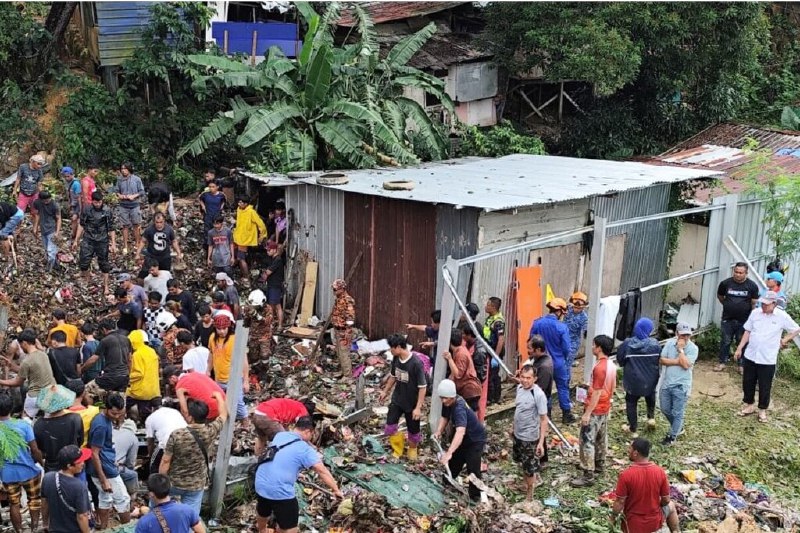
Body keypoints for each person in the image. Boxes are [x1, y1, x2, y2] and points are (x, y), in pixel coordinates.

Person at [254, 417, 342, 533]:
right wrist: (336, 490)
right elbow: (322, 471)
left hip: (260, 483)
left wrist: (296, 474)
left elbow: (283, 458)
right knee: (291, 527)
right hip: (280, 491)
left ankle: (262, 530)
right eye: (312, 434)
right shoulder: (305, 449)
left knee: (263, 510)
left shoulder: (280, 435)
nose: (311, 438)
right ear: (307, 431)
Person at [735, 290, 800, 422]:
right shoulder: (755, 313)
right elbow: (748, 331)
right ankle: (749, 405)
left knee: (765, 385)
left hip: (767, 357)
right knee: (748, 382)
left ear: (774, 304)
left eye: (766, 304)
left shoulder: (782, 316)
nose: (764, 306)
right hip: (751, 354)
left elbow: (795, 329)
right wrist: (740, 348)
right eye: (762, 304)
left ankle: (762, 410)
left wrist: (784, 340)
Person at [160, 396, 228, 515]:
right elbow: (223, 415)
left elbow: (166, 461)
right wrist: (218, 396)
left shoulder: (177, 434)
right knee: (190, 517)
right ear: (205, 416)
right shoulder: (210, 431)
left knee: (160, 511)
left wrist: (161, 480)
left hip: (173, 482)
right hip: (196, 485)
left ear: (190, 417)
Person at [571, 335, 617, 487]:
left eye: (593, 345)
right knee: (600, 438)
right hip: (604, 408)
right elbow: (611, 387)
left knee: (587, 440)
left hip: (595, 408)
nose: (592, 347)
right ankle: (599, 464)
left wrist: (587, 413)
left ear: (599, 348)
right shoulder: (611, 365)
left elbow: (597, 392)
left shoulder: (599, 367)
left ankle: (588, 474)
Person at [432, 379, 487, 502]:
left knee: (473, 469)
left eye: (446, 398)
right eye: (442, 398)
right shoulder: (447, 402)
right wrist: (439, 431)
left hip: (474, 440)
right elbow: (444, 417)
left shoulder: (459, 408)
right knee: (454, 462)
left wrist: (449, 452)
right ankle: (447, 483)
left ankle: (475, 497)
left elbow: (460, 431)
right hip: (463, 440)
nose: (443, 401)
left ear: (452, 396)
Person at [611, 438, 679, 533]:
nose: (628, 451)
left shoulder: (625, 475)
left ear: (635, 453)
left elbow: (620, 502)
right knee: (671, 505)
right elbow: (666, 500)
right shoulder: (660, 472)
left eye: (630, 448)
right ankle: (675, 531)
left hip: (632, 525)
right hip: (654, 522)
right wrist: (657, 505)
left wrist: (612, 519)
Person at [0, 392, 44, 533]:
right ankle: (34, 529)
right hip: (29, 471)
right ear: (12, 408)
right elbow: (35, 449)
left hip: (7, 474)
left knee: (14, 503)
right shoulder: (23, 425)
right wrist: (41, 464)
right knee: (34, 501)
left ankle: (18, 530)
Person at [379, 334, 427, 461]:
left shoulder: (416, 363)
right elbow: (393, 376)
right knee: (390, 426)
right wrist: (385, 392)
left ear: (399, 347)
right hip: (397, 399)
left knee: (413, 431)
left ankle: (412, 450)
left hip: (412, 402)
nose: (390, 350)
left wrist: (418, 408)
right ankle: (398, 448)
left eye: (392, 348)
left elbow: (422, 387)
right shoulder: (396, 359)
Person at [87, 392, 131, 529]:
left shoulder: (104, 419)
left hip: (105, 464)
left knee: (105, 499)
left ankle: (104, 528)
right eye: (114, 414)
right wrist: (104, 479)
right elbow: (94, 453)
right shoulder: (100, 425)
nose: (116, 417)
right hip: (105, 470)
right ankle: (129, 528)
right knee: (123, 499)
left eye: (119, 414)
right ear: (106, 408)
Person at [529, 298, 575, 423]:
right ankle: (566, 415)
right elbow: (566, 348)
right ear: (559, 311)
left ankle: (547, 416)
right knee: (563, 387)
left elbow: (531, 342)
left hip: (542, 363)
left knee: (544, 389)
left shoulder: (537, 323)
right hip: (559, 363)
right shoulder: (562, 327)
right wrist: (564, 360)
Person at [616, 317, 661, 438]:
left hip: (633, 381)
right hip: (651, 379)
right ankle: (651, 418)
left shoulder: (628, 343)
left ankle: (633, 429)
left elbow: (620, 360)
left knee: (631, 402)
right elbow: (658, 360)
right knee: (650, 395)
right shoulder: (655, 344)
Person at [0, 329, 56, 418]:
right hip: (51, 392)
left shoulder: (27, 360)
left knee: (25, 419)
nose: (21, 348)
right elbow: (28, 370)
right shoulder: (43, 354)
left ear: (24, 343)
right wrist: (11, 365)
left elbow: (18, 382)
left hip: (35, 395)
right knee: (49, 419)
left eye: (21, 345)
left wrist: (1, 381)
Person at [512, 365, 548, 501]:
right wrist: (513, 428)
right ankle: (525, 484)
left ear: (535, 379)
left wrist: (540, 443)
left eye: (528, 378)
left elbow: (544, 420)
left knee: (530, 468)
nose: (525, 380)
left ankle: (529, 496)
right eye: (523, 377)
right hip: (518, 434)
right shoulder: (519, 388)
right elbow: (518, 410)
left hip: (530, 437)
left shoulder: (538, 395)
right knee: (522, 462)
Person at [659, 323, 699, 446]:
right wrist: (678, 361)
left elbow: (686, 365)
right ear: (677, 334)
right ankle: (678, 427)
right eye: (683, 335)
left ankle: (672, 436)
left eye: (688, 335)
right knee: (665, 408)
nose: (685, 338)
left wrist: (680, 350)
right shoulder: (670, 343)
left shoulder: (693, 348)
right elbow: (662, 360)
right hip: (667, 383)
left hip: (681, 385)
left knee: (678, 412)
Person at [716, 262, 759, 373]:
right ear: (733, 271)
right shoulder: (725, 283)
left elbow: (754, 303)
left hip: (744, 320)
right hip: (727, 319)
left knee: (742, 342)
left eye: (741, 273)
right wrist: (728, 305)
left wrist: (751, 319)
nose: (738, 274)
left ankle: (742, 365)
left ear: (746, 273)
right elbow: (720, 297)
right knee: (725, 341)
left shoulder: (752, 286)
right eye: (736, 272)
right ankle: (722, 362)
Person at [72, 191, 117, 297]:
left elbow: (111, 228)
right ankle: (87, 280)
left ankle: (105, 286)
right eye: (96, 202)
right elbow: (82, 225)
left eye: (100, 202)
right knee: (83, 261)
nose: (98, 204)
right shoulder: (87, 209)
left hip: (102, 239)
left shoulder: (107, 211)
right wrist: (76, 240)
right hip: (89, 238)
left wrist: (113, 244)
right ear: (92, 201)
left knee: (104, 264)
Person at [41, 445, 93, 533]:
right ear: (69, 466)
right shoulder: (79, 486)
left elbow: (44, 503)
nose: (83, 463)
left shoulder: (48, 477)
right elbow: (82, 516)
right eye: (79, 461)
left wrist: (45, 524)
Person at [208, 314, 249, 420]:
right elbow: (211, 355)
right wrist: (208, 370)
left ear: (229, 327)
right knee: (220, 402)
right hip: (219, 378)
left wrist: (246, 380)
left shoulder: (235, 339)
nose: (222, 331)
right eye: (219, 329)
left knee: (239, 403)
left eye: (224, 328)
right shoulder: (212, 338)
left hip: (233, 379)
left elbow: (244, 361)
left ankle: (245, 422)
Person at [34, 385, 83, 472]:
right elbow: (80, 441)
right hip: (73, 464)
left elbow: (40, 449)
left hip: (51, 467)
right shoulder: (75, 419)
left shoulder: (39, 424)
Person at [136, 474, 205, 533]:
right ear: (170, 487)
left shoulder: (144, 522)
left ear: (151, 494)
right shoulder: (187, 510)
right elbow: (201, 531)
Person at [84, 320, 132, 403]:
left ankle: (91, 413)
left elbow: (94, 359)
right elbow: (130, 360)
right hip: (124, 376)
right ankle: (121, 415)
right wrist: (128, 375)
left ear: (104, 329)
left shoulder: (105, 340)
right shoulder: (126, 339)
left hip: (111, 376)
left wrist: (82, 369)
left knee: (85, 391)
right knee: (119, 401)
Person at [443, 330, 482, 411]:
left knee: (470, 417)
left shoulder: (461, 354)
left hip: (470, 390)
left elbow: (458, 374)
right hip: (467, 390)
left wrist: (450, 359)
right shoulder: (459, 350)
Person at [126, 330, 161, 422]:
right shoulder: (151, 351)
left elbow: (139, 373)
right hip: (154, 390)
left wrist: (127, 377)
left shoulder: (137, 354)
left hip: (141, 391)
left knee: (123, 401)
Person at [136, 213, 183, 278]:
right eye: (157, 222)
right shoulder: (149, 230)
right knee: (143, 275)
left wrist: (179, 253)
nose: (159, 224)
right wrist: (137, 254)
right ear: (154, 221)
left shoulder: (169, 229)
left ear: (164, 221)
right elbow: (143, 241)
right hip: (151, 256)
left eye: (161, 222)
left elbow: (174, 241)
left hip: (165, 256)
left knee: (165, 276)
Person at [145, 404, 187, 474]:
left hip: (167, 442)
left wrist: (150, 455)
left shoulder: (150, 418)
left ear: (152, 409)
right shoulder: (175, 411)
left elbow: (150, 442)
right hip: (186, 439)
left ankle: (154, 481)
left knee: (153, 464)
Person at [232, 196, 267, 280]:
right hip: (238, 237)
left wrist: (262, 236)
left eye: (241, 203)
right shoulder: (239, 209)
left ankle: (246, 276)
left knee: (241, 258)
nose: (239, 204)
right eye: (239, 202)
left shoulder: (251, 212)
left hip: (245, 239)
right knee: (236, 255)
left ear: (246, 204)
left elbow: (261, 224)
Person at [115, 162, 145, 255]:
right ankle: (125, 246)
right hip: (123, 205)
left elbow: (142, 191)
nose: (123, 170)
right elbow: (116, 191)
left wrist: (134, 196)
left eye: (125, 169)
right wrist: (120, 196)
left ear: (129, 169)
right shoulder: (119, 180)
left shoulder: (137, 179)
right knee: (125, 226)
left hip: (134, 205)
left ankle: (137, 243)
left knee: (136, 225)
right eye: (122, 169)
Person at [330, 278, 356, 377]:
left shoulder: (347, 300)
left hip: (344, 331)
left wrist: (347, 332)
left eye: (335, 289)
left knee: (344, 353)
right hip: (338, 329)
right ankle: (343, 371)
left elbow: (350, 317)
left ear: (342, 289)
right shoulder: (339, 299)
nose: (334, 291)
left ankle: (348, 376)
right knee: (339, 352)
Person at [483, 297, 505, 405]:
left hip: (495, 351)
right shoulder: (490, 318)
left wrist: (496, 357)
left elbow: (501, 339)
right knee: (489, 374)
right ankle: (491, 397)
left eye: (488, 305)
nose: (486, 306)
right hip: (489, 349)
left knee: (493, 375)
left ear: (493, 307)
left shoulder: (498, 321)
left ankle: (494, 398)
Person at [32, 190, 62, 271]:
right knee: (46, 249)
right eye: (44, 200)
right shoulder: (37, 203)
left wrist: (57, 232)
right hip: (43, 228)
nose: (46, 201)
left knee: (50, 250)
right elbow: (37, 215)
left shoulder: (55, 205)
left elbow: (58, 219)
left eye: (48, 200)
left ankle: (49, 269)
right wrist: (35, 227)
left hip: (52, 229)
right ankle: (56, 265)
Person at [65, 379, 100, 447]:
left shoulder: (61, 413)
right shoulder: (94, 411)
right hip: (85, 451)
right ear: (83, 393)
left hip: (65, 451)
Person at [526, 334, 554, 420]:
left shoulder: (544, 367)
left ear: (538, 350)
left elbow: (540, 389)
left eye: (530, 348)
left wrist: (523, 382)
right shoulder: (537, 359)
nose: (528, 351)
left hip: (541, 403)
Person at [243, 289, 274, 364]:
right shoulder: (249, 307)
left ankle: (264, 369)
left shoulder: (268, 308)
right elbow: (246, 322)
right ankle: (255, 368)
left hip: (264, 335)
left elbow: (267, 321)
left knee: (264, 355)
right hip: (253, 335)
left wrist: (256, 315)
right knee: (253, 356)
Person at [12, 154, 46, 219]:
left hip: (34, 193)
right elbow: (18, 178)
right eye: (38, 164)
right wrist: (14, 190)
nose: (40, 166)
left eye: (41, 164)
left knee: (35, 212)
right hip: (23, 193)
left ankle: (35, 228)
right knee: (19, 212)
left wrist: (42, 194)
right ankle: (18, 228)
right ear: (32, 162)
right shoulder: (23, 167)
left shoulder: (39, 170)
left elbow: (39, 183)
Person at [112, 419, 140, 496]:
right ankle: (132, 501)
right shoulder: (133, 438)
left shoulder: (113, 431)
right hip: (115, 467)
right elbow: (131, 462)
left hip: (103, 463)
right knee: (133, 475)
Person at [261, 241, 285, 328]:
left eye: (269, 250)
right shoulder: (273, 259)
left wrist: (265, 273)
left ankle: (279, 325)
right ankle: (273, 323)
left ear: (275, 250)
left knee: (277, 306)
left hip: (275, 285)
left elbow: (268, 272)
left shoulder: (277, 260)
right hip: (271, 285)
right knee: (271, 305)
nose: (268, 252)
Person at [564, 291, 589, 368]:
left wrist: (586, 333)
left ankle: (567, 379)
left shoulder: (584, 318)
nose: (577, 309)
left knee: (567, 364)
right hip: (563, 339)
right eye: (575, 307)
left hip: (573, 343)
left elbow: (586, 330)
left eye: (579, 308)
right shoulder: (567, 309)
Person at [198, 180, 226, 245]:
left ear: (217, 187)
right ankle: (207, 246)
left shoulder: (221, 195)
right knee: (207, 231)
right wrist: (203, 206)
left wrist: (221, 207)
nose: (211, 188)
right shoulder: (205, 194)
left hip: (217, 216)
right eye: (210, 187)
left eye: (213, 187)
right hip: (208, 215)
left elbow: (224, 201)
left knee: (217, 231)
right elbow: (200, 198)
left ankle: (217, 246)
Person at [61, 167, 83, 240]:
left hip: (77, 205)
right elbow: (68, 194)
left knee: (76, 219)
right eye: (65, 176)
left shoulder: (76, 184)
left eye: (68, 176)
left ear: (72, 175)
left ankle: (76, 236)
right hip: (72, 204)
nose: (67, 178)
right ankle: (74, 234)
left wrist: (80, 210)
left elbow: (79, 197)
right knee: (73, 219)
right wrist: (69, 204)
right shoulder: (67, 183)